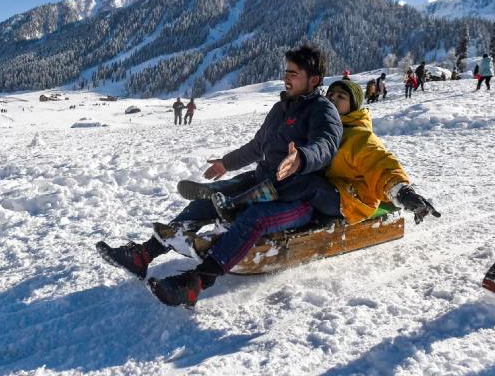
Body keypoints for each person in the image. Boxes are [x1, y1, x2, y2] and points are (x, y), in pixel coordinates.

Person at [97, 45, 343, 307]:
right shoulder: (280, 109)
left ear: (314, 80)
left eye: (294, 73)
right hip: (265, 182)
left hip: (299, 196)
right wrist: (226, 163)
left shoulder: (323, 110)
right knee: (207, 202)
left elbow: (326, 145)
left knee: (253, 219)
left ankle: (196, 283)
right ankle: (144, 255)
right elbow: (257, 146)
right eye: (286, 72)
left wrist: (301, 158)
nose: (286, 77)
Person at [324, 80, 440, 224]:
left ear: (353, 105)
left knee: (307, 187)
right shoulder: (325, 127)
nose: (333, 99)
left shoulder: (358, 136)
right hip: (334, 187)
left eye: (341, 97)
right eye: (330, 94)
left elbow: (379, 163)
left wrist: (402, 192)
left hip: (354, 199)